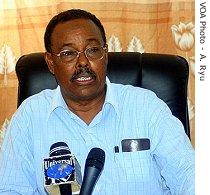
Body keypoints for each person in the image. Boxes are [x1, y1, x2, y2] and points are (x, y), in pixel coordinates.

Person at [0, 9, 194, 195]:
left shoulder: (146, 106)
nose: (83, 62)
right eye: (68, 53)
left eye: (92, 50)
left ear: (105, 55)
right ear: (51, 62)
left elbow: (188, 175)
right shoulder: (30, 116)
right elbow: (10, 190)